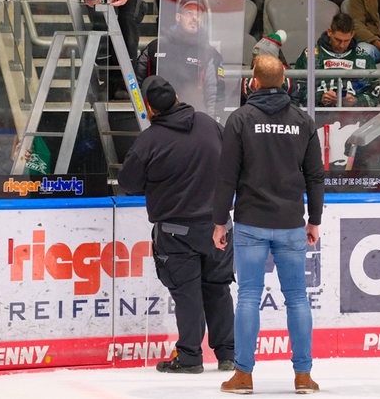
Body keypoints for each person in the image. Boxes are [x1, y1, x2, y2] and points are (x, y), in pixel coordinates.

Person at [213, 54, 324, 394]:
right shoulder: (303, 121)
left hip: (251, 222)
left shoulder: (241, 119)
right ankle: (303, 376)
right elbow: (315, 176)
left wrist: (220, 221)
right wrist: (314, 220)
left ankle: (243, 375)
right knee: (298, 299)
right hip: (291, 221)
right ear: (285, 80)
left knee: (247, 297)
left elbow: (226, 175)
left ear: (255, 82)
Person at [117, 75, 235, 374]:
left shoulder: (149, 140)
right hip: (218, 226)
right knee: (218, 289)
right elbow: (234, 159)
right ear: (177, 98)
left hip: (176, 231)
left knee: (187, 293)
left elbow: (128, 183)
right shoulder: (208, 123)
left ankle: (190, 357)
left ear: (149, 108)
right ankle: (228, 354)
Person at [135, 0, 225, 118]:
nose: (194, 18)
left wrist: (210, 125)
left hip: (191, 123)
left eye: (198, 15)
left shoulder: (210, 54)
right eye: (189, 13)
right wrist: (145, 116)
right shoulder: (155, 47)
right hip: (157, 121)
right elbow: (137, 84)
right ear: (178, 17)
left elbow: (215, 97)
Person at [294, 12, 380, 107]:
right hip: (317, 114)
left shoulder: (364, 58)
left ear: (353, 34)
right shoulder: (310, 55)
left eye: (346, 40)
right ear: (329, 32)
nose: (342, 45)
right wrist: (319, 98)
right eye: (338, 40)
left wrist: (355, 101)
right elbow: (297, 92)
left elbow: (375, 97)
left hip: (354, 118)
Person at [241, 30, 300, 106]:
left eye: (258, 58)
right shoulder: (248, 77)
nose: (255, 61)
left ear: (271, 59)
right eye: (254, 58)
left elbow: (294, 101)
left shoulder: (289, 77)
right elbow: (242, 102)